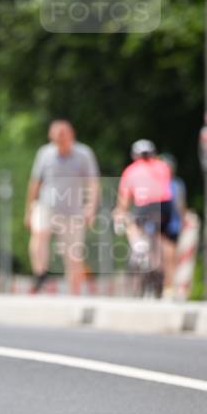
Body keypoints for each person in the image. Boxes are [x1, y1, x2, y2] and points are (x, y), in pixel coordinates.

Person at [25, 120, 100, 295]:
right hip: (46, 205)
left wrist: (91, 207)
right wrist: (28, 210)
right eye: (56, 136)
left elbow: (93, 183)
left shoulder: (84, 154)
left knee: (73, 254)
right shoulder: (44, 153)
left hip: (73, 210)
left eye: (63, 135)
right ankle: (40, 273)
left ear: (71, 135)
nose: (60, 140)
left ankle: (74, 292)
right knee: (39, 234)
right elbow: (35, 182)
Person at [115, 140, 175, 296]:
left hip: (146, 205)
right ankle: (161, 274)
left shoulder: (131, 170)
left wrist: (119, 212)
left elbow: (124, 200)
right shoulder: (163, 166)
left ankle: (139, 245)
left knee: (131, 223)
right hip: (166, 206)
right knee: (158, 238)